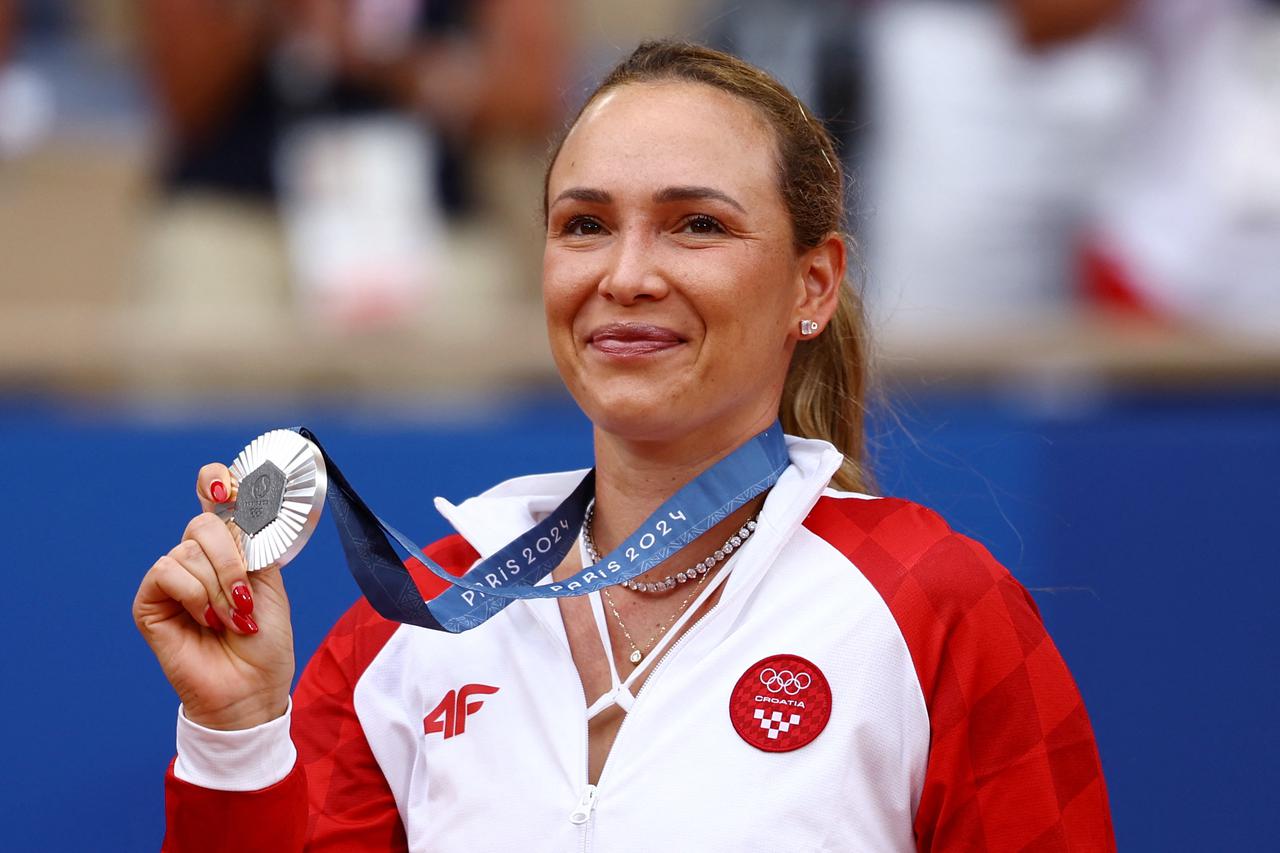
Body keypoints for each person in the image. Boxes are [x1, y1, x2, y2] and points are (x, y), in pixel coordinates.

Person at [134, 41, 1115, 851]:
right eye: (585, 224)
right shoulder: (412, 625)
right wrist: (236, 730)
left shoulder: (930, 602)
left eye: (695, 224)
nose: (626, 273)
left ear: (812, 284)